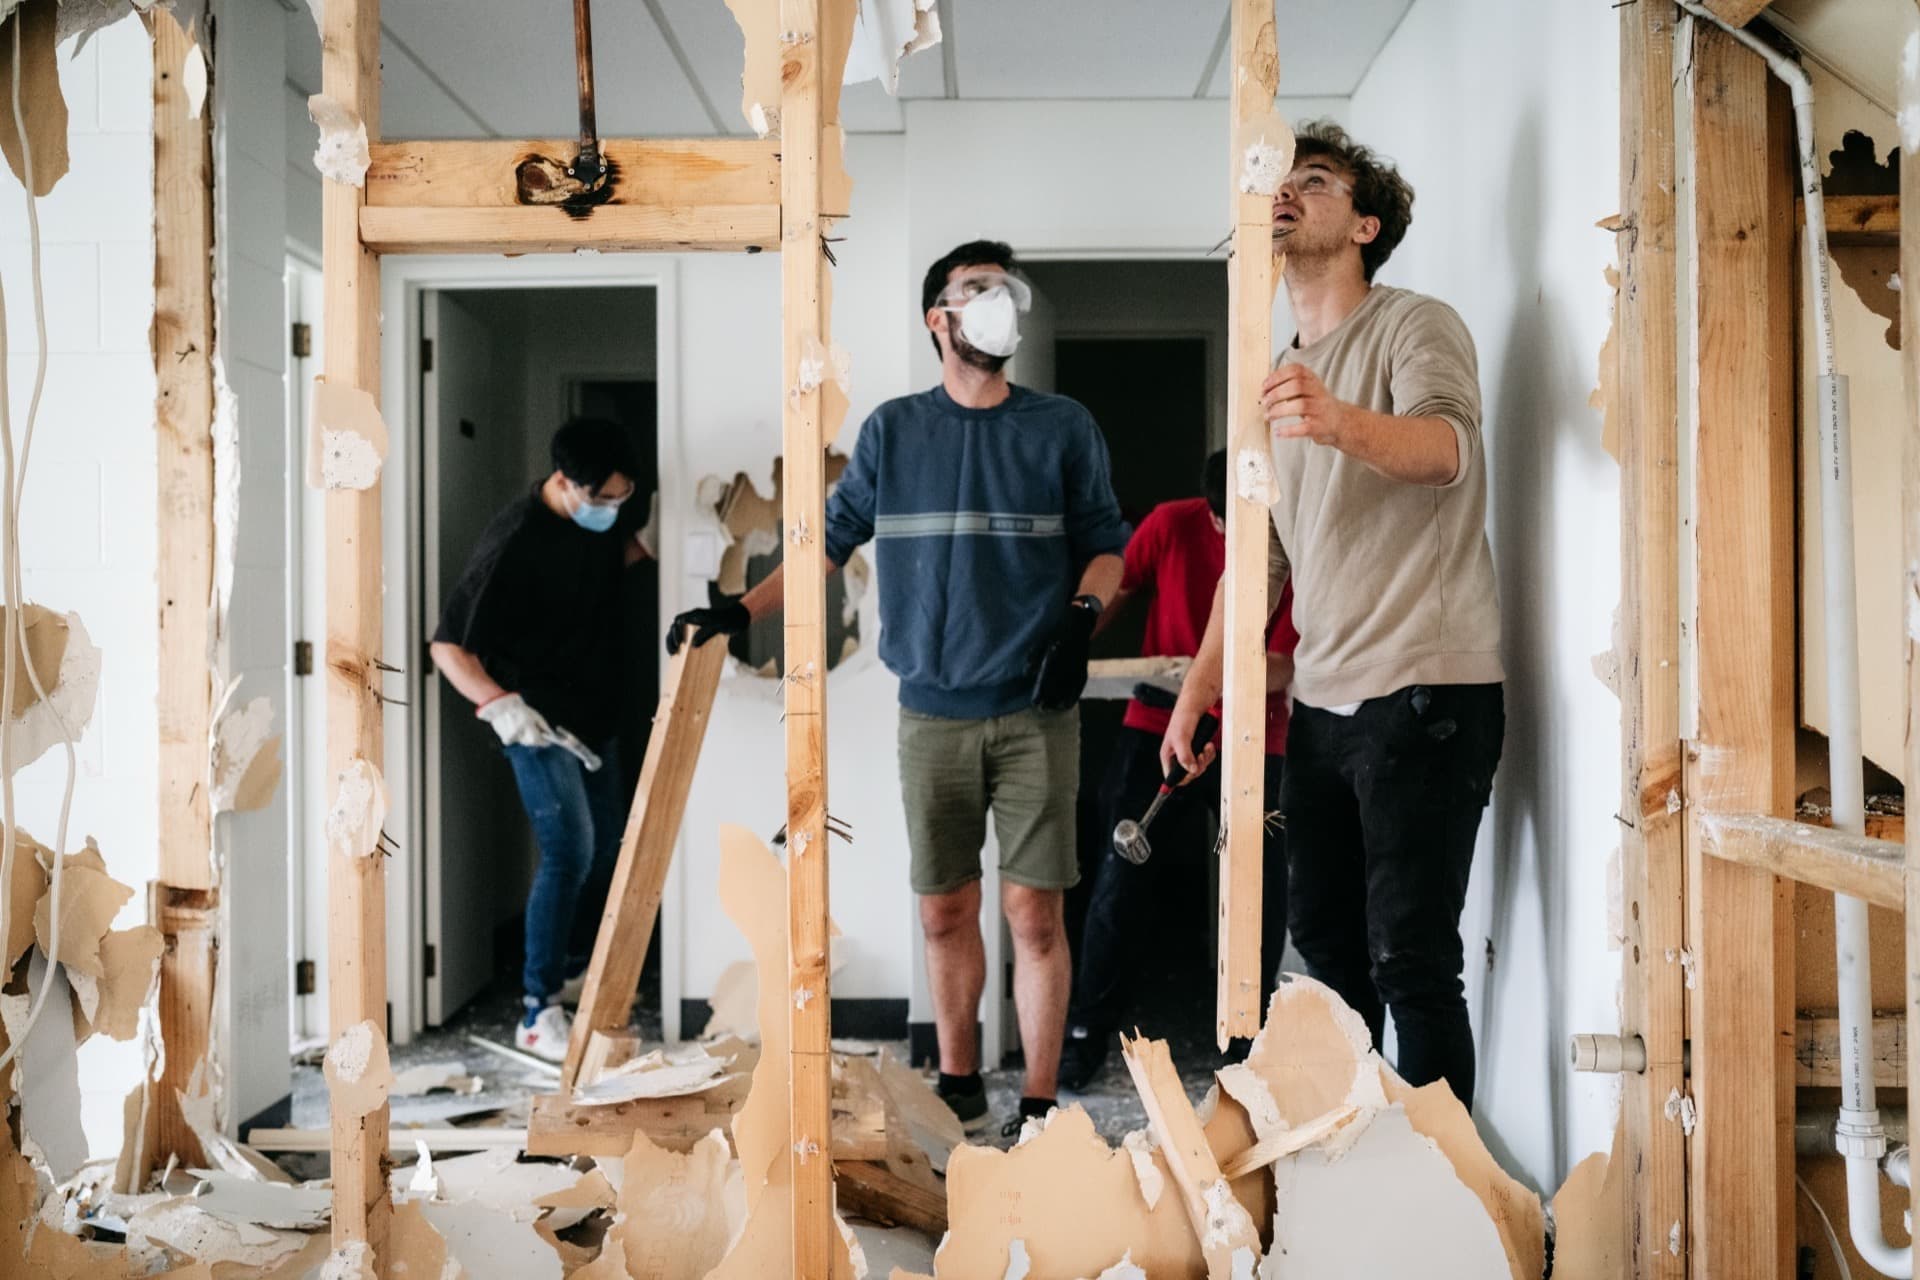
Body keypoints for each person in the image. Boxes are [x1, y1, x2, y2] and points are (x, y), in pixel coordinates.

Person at [667, 240, 1130, 1136]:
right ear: (939, 319)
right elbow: (824, 549)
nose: (997, 302)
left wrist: (1080, 617)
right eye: (975, 290)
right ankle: (961, 1083)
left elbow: (1108, 544)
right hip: (932, 715)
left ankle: (1036, 1102)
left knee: (1034, 914)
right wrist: (736, 611)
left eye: (1004, 289)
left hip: (1037, 711)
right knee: (944, 908)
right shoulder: (891, 431)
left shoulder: (1061, 426)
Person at [1163, 122, 1503, 1106]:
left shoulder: (1412, 324)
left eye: (1313, 180)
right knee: (1330, 970)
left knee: (1412, 965)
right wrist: (1197, 696)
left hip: (1426, 691)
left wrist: (1337, 418)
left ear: (1365, 221)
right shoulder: (1274, 369)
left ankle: (1444, 1214)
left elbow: (1448, 449)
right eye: (1281, 179)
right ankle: (1352, 1187)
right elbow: (1259, 558)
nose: (1288, 191)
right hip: (1324, 705)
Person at [1058, 449, 1296, 1090]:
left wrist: (1215, 684)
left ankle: (1246, 1045)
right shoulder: (1169, 524)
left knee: (1258, 888)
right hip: (1157, 719)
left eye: (1236, 524)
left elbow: (1286, 663)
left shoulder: (1290, 534)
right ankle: (1084, 1033)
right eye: (1219, 523)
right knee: (1118, 881)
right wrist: (1070, 646)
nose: (1225, 535)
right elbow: (1119, 588)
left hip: (1254, 726)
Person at [429, 417, 653, 1062]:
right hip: (536, 720)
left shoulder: (603, 524)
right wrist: (500, 706)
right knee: (568, 850)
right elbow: (447, 648)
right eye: (601, 500)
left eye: (621, 499)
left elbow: (625, 556)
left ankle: (580, 968)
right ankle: (537, 1009)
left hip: (594, 716)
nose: (612, 511)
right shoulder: (514, 540)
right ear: (564, 482)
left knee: (609, 845)